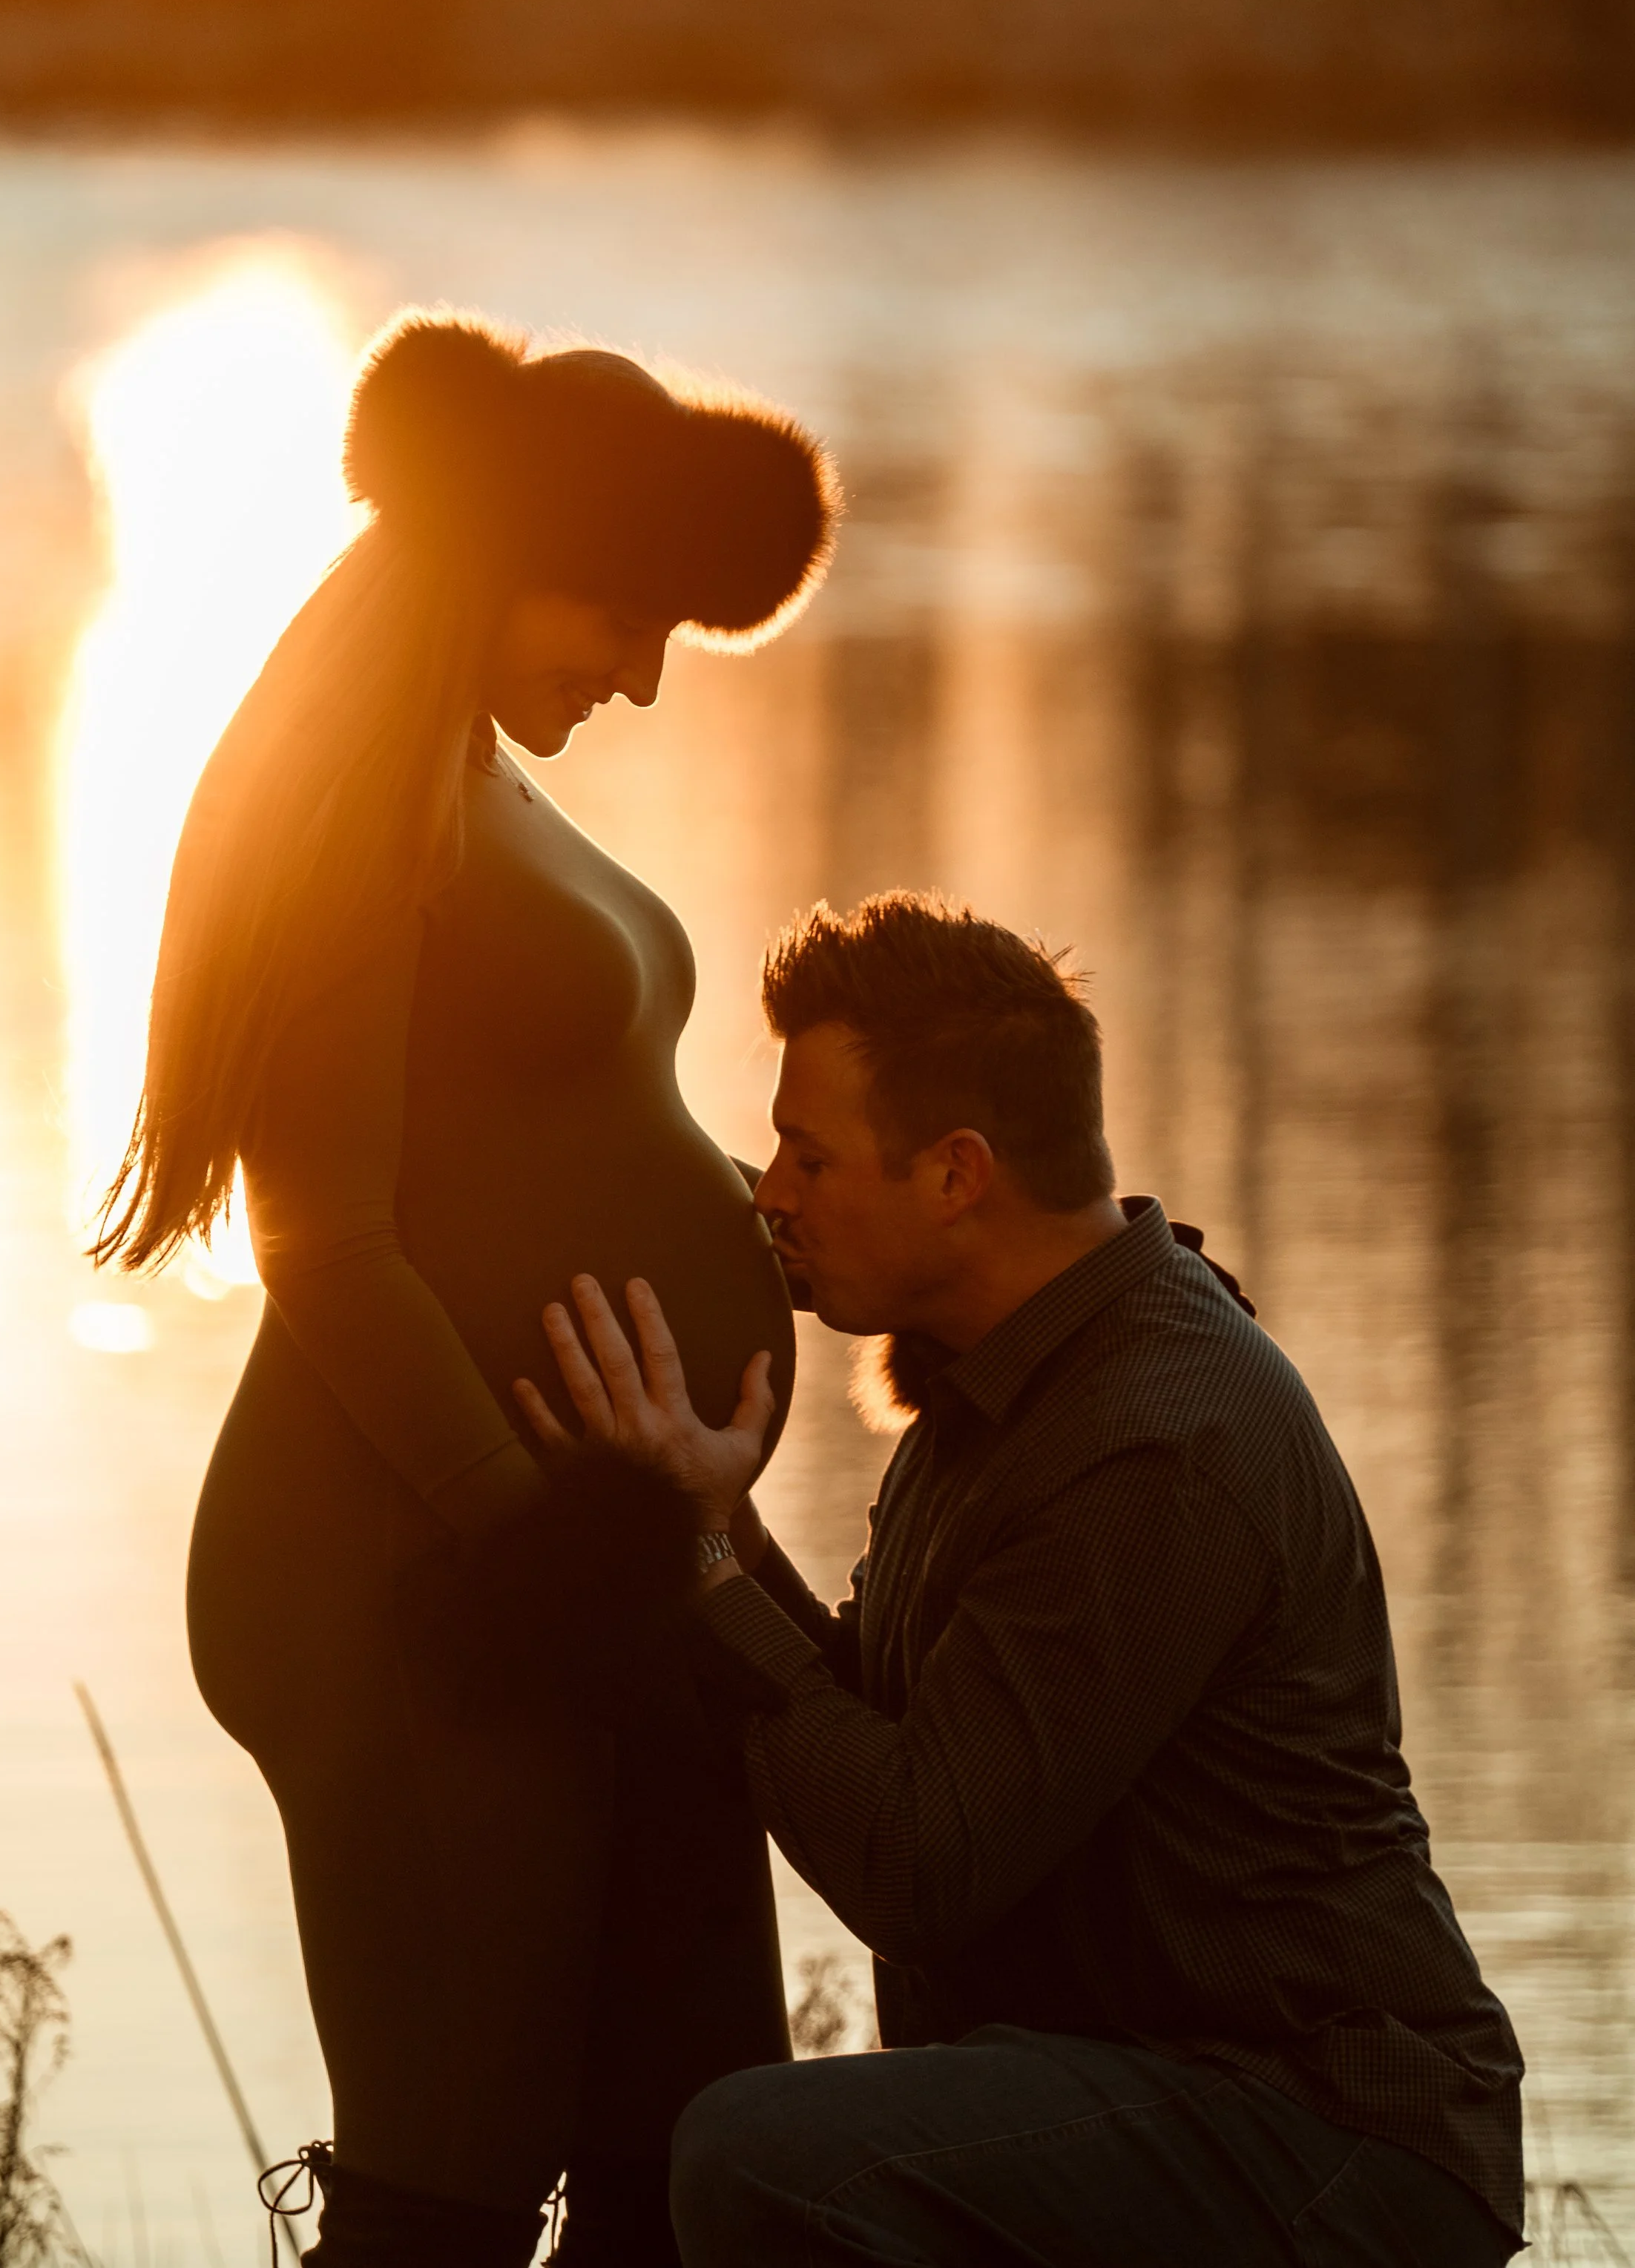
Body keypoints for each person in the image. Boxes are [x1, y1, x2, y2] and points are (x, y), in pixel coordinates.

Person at [94, 314, 838, 2268]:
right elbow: (324, 1248)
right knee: (448, 2198)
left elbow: (551, 1153)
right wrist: (550, 1563)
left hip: (586, 1562)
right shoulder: (352, 799)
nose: (643, 678)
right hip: (418, 1573)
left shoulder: (458, 773)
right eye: (623, 614)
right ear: (497, 544)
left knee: (690, 2154)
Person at [520, 893, 1526, 2267]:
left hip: (1326, 2132)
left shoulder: (1158, 1442)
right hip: (1152, 2077)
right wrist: (713, 1519)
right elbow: (870, 1719)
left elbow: (921, 1861)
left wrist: (700, 1556)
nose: (770, 1192)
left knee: (764, 2156)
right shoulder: (1003, 1379)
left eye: (810, 1157)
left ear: (956, 1173)